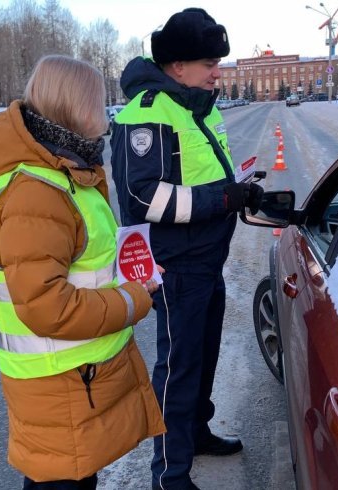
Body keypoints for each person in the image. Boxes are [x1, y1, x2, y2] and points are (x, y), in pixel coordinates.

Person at [0, 55, 165, 489]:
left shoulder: (66, 174)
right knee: (62, 483)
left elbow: (84, 261)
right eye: (99, 102)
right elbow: (46, 307)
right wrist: (133, 298)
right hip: (60, 385)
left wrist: (135, 271)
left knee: (75, 480)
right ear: (75, 107)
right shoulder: (36, 193)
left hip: (74, 381)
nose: (106, 113)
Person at [109, 8, 263, 490]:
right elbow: (143, 196)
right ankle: (169, 473)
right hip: (176, 267)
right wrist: (222, 198)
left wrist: (240, 191)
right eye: (208, 62)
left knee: (203, 358)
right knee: (177, 369)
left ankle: (195, 433)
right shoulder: (150, 111)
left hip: (206, 260)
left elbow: (205, 173)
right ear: (177, 65)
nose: (218, 71)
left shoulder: (198, 105)